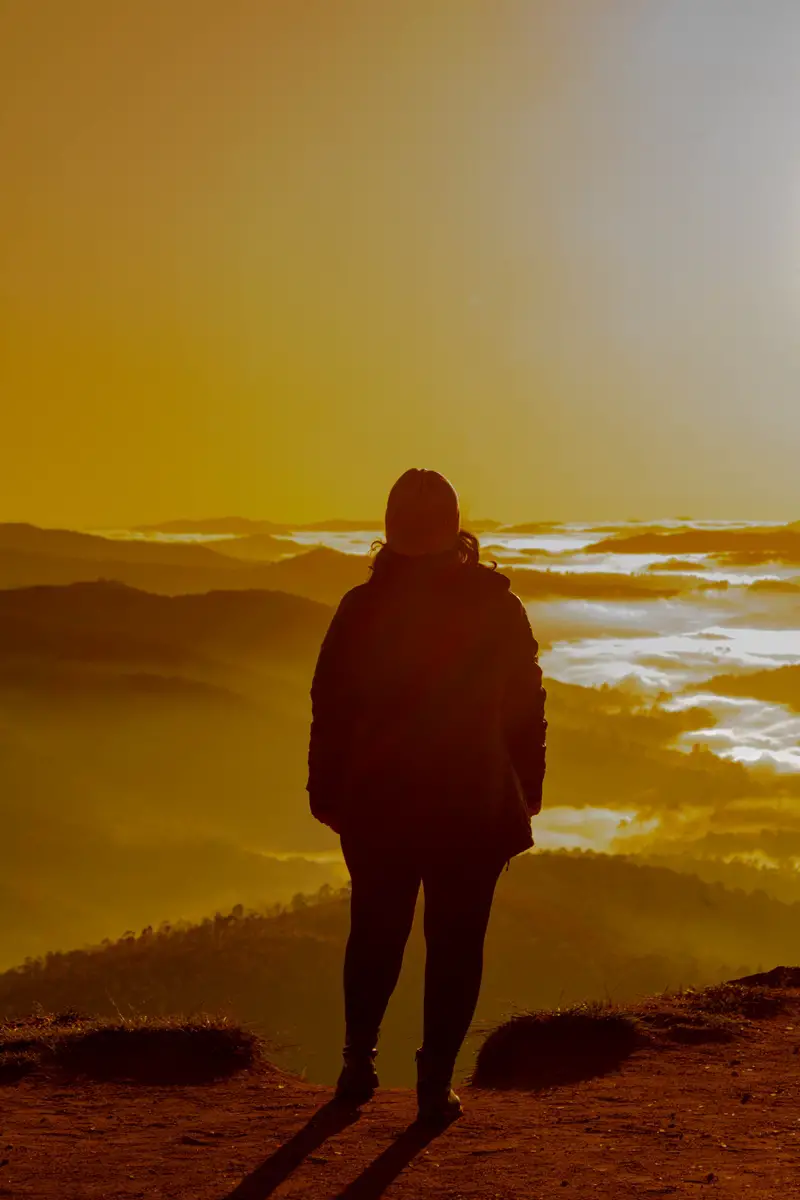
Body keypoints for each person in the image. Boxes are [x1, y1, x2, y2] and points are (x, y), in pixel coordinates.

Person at [307, 468, 546, 1123]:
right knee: (456, 943)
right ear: (454, 530)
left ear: (389, 532)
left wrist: (326, 789)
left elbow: (330, 705)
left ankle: (358, 1063)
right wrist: (528, 788)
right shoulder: (496, 606)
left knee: (376, 932)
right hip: (470, 800)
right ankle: (433, 1084)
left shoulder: (362, 609)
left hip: (377, 801)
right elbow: (527, 705)